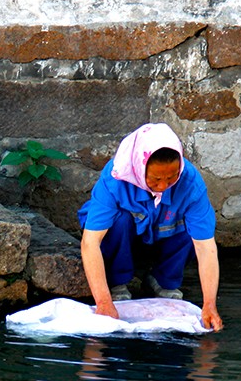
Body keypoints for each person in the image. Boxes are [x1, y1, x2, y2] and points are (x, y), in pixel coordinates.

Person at [78, 123, 223, 330]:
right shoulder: (116, 177)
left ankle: (164, 279)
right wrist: (103, 302)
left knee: (194, 229)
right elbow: (90, 242)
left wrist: (210, 304)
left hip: (164, 232)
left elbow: (205, 246)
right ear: (139, 166)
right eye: (156, 179)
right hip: (124, 236)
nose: (163, 186)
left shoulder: (190, 183)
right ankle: (118, 281)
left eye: (172, 177)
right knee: (120, 221)